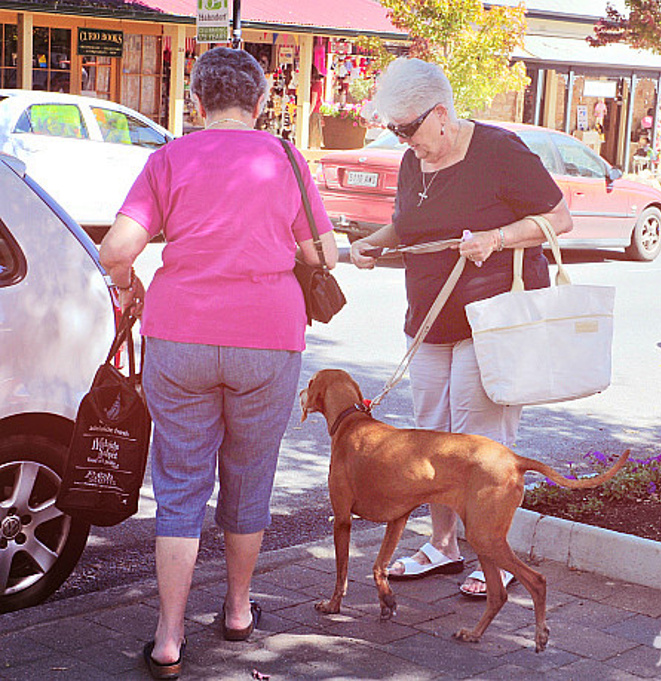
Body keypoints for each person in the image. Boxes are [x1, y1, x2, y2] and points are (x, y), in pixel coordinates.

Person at [99, 46, 338, 680]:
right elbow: (326, 256)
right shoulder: (286, 158)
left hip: (180, 336)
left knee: (180, 487)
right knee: (250, 475)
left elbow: (116, 248)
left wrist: (130, 287)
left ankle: (170, 636)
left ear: (196, 104)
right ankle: (236, 611)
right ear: (260, 105)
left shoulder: (168, 158)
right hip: (268, 338)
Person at [349, 58, 572, 597]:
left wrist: (496, 238)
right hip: (428, 319)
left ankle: (490, 556)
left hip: (490, 320)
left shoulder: (499, 150)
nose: (404, 142)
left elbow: (560, 219)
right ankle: (442, 547)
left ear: (442, 115)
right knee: (430, 440)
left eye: (409, 129)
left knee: (481, 441)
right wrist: (370, 245)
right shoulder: (413, 160)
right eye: (395, 131)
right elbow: (409, 223)